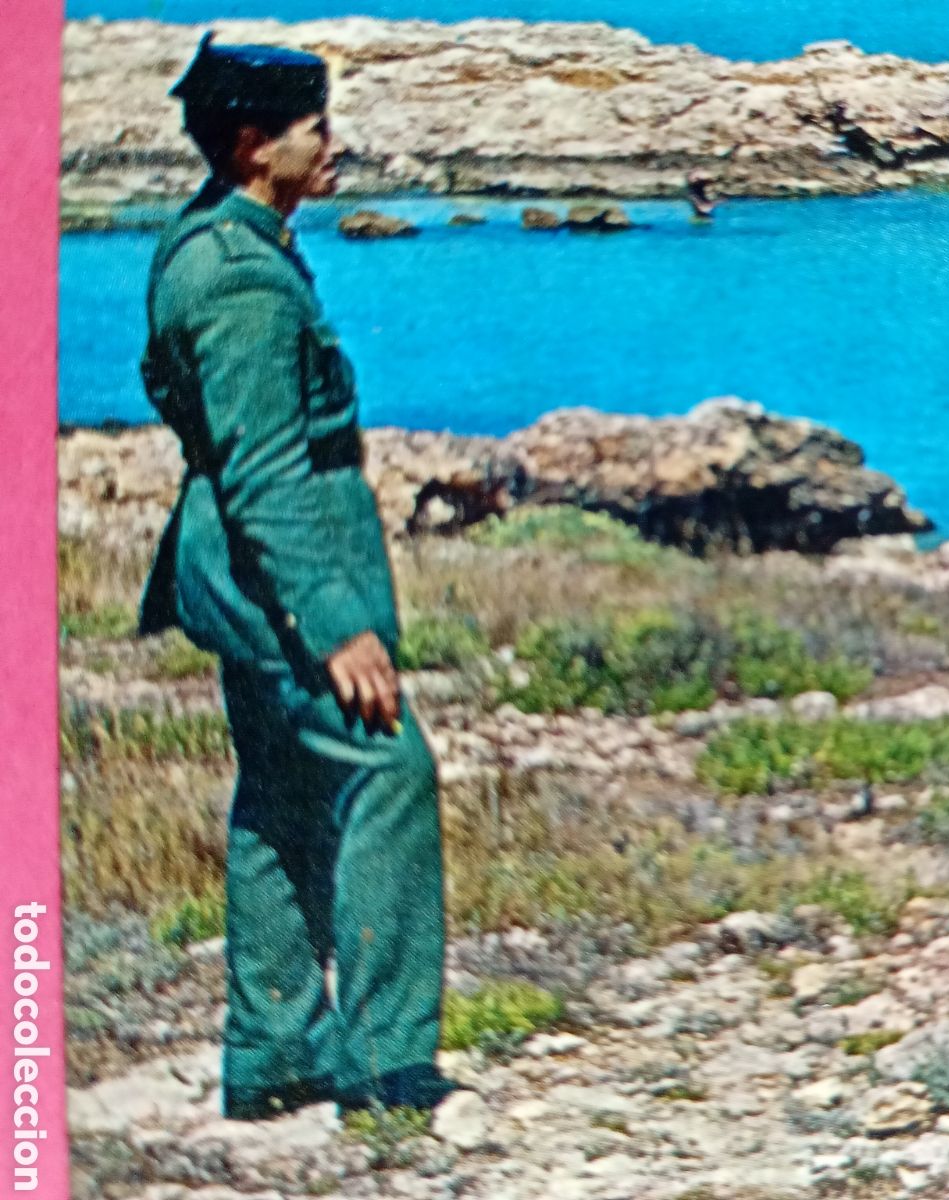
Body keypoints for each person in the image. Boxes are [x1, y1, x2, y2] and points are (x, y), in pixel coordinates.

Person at [137, 32, 454, 1120]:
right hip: (279, 578)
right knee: (386, 771)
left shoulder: (214, 246)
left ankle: (275, 1053)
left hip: (242, 570)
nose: (333, 144)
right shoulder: (240, 280)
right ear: (248, 143)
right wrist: (333, 626)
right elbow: (263, 470)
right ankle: (384, 1066)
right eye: (313, 127)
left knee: (278, 796)